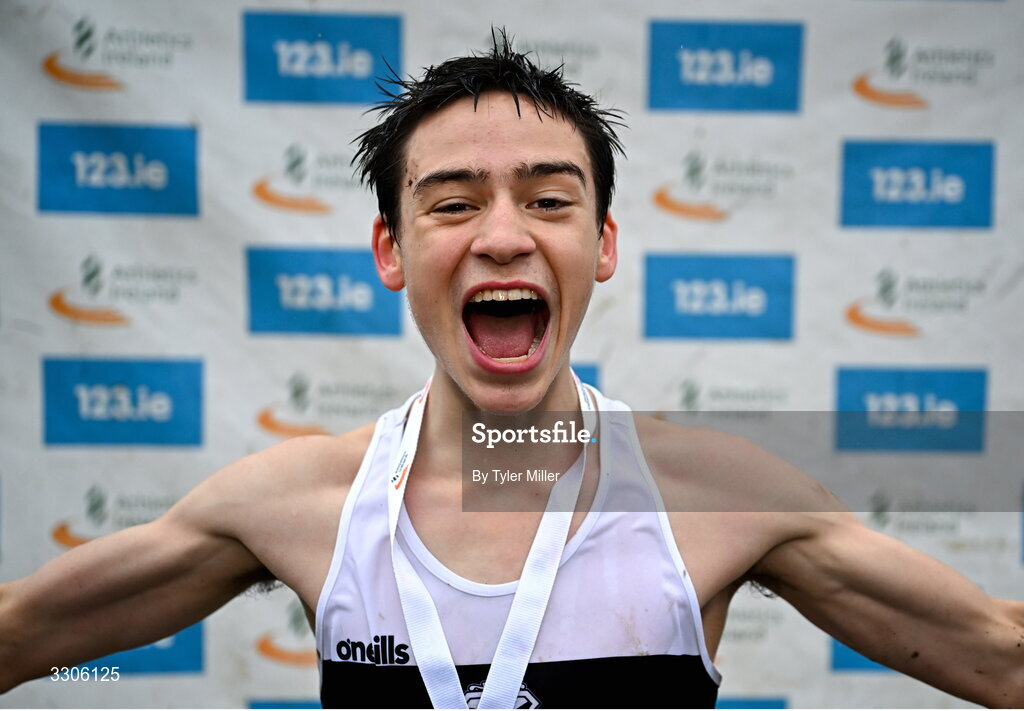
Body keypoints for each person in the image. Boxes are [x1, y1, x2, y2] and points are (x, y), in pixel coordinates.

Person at [1, 33, 1022, 709]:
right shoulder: (299, 503)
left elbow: (997, 654)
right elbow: (27, 636)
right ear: (390, 251)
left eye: (546, 200)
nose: (500, 237)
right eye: (450, 203)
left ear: (603, 243)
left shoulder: (719, 497)